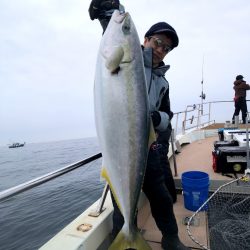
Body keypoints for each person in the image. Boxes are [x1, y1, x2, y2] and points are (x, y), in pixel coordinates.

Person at [89, 1, 189, 249]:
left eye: (166, 48)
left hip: (149, 149)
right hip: (121, 151)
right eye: (157, 42)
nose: (160, 49)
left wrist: (158, 119)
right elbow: (113, 29)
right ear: (145, 40)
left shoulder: (163, 81)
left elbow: (168, 114)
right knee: (122, 208)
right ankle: (123, 237)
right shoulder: (129, 59)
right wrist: (112, 9)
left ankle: (171, 238)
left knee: (162, 198)